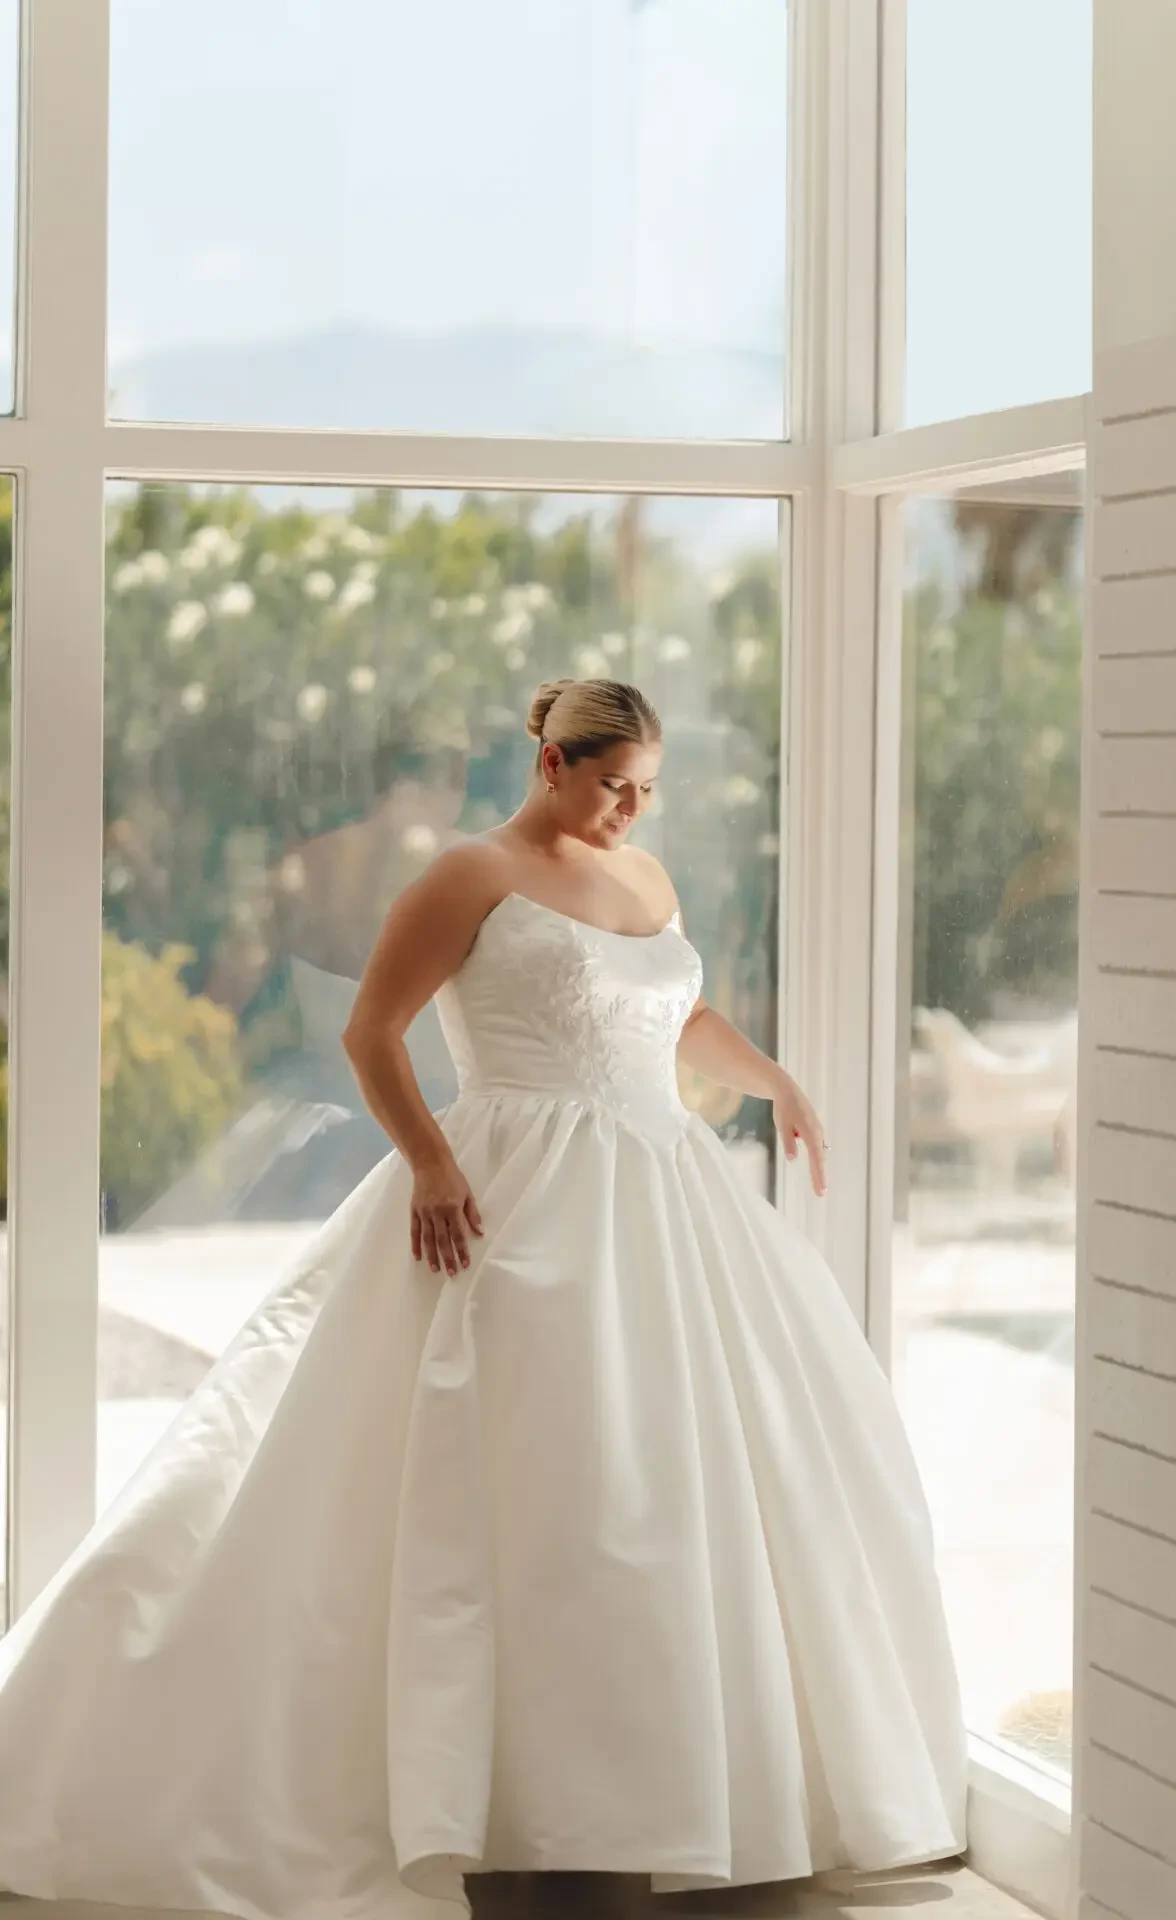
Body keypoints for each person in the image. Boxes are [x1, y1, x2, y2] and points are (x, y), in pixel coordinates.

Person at [0, 678, 967, 1919]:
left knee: (667, 1482)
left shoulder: (648, 882)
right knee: (520, 1484)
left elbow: (674, 1014)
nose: (630, 809)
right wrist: (434, 1163)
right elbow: (371, 1033)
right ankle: (476, 1795)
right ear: (549, 762)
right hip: (515, 1196)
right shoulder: (470, 874)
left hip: (665, 1193)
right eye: (612, 784)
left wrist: (770, 1078)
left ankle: (656, 1790)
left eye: (647, 790)